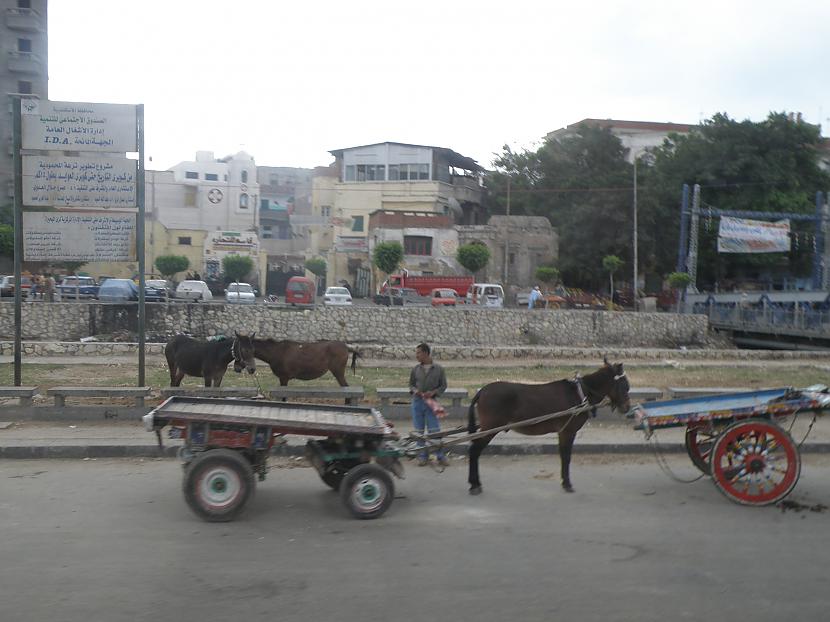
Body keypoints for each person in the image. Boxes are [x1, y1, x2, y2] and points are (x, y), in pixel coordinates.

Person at [409, 342, 449, 467]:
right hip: (418, 402)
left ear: (426, 353)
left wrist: (434, 392)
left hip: (432, 403)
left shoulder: (438, 369)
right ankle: (422, 456)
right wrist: (416, 391)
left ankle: (440, 456)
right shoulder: (415, 369)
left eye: (418, 353)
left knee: (434, 431)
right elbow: (411, 384)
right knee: (419, 431)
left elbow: (443, 385)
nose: (417, 356)